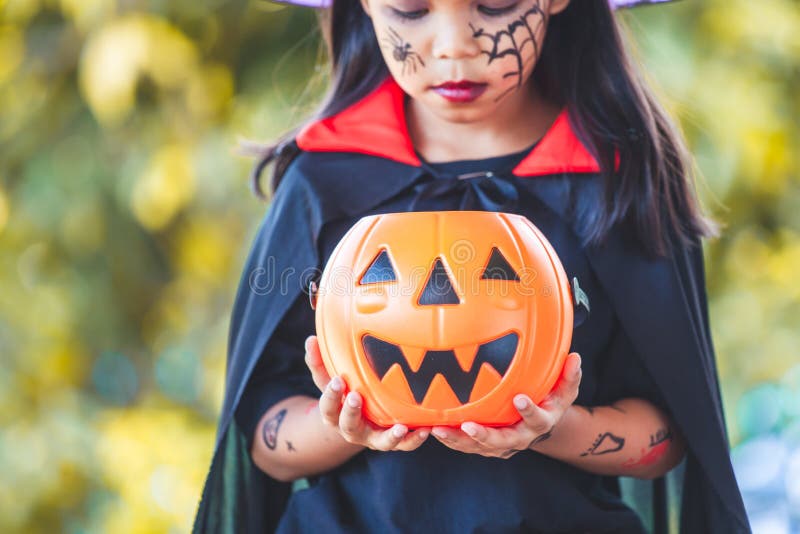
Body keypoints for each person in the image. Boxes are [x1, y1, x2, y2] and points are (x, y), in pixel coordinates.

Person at [193, 0, 751, 532]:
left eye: (495, 4)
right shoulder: (322, 187)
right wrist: (344, 427)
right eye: (410, 9)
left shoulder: (618, 183)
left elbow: (669, 436)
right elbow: (263, 443)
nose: (454, 47)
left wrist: (553, 428)